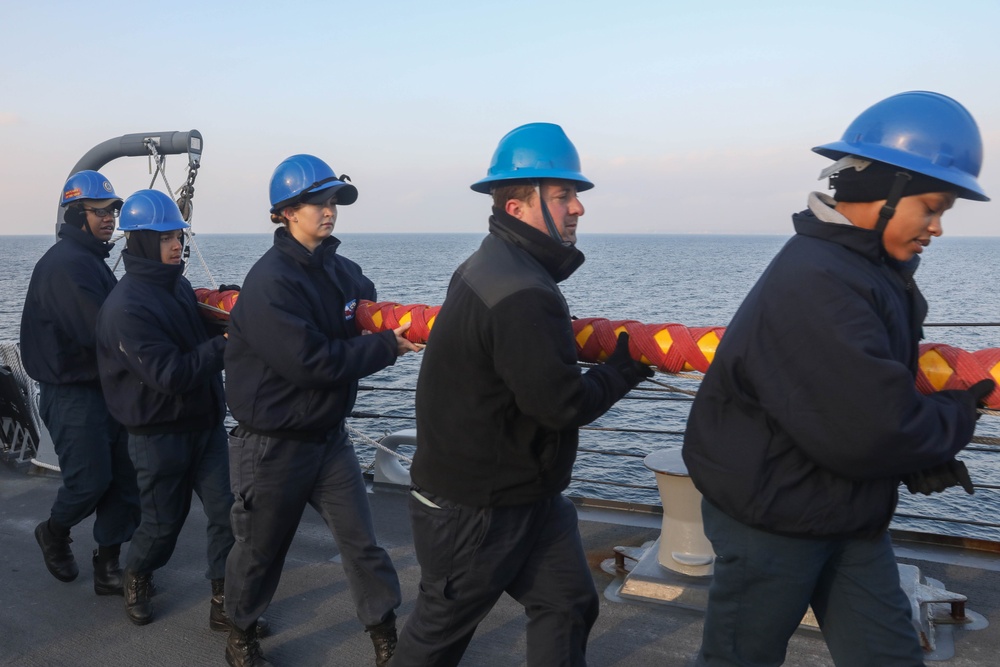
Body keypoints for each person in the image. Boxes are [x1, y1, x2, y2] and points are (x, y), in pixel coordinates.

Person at [681, 91, 995, 667]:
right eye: (931, 206)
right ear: (885, 192)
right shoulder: (821, 279)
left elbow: (858, 398)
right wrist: (959, 411)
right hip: (772, 517)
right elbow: (872, 428)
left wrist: (913, 450)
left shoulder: (861, 267)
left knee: (888, 654)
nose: (937, 227)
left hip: (845, 508)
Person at [392, 123, 653, 667]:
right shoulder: (523, 293)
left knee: (568, 604)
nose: (578, 207)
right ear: (518, 207)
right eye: (563, 196)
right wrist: (626, 367)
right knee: (436, 638)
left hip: (526, 496)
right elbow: (562, 406)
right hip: (476, 509)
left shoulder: (494, 266)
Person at [222, 154, 422, 667]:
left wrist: (372, 316)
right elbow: (309, 362)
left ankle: (384, 634)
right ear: (286, 212)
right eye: (318, 201)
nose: (329, 210)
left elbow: (364, 298)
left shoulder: (336, 268)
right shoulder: (270, 282)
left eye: (333, 200)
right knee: (259, 552)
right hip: (271, 445)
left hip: (327, 439)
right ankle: (240, 633)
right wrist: (384, 346)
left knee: (362, 544)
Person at [94, 189, 237, 631]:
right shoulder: (125, 308)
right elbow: (170, 374)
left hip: (205, 427)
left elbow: (194, 324)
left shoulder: (176, 286)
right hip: (158, 434)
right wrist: (227, 346)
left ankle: (224, 598)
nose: (176, 244)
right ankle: (136, 574)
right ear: (138, 242)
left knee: (225, 514)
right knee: (161, 524)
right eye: (165, 237)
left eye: (178, 234)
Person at [20, 169, 140, 597]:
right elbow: (102, 334)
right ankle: (54, 531)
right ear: (76, 215)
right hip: (73, 392)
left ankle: (108, 564)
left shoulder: (89, 261)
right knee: (90, 480)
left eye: (114, 210)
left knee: (125, 481)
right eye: (100, 211)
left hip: (108, 390)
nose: (110, 217)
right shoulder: (68, 267)